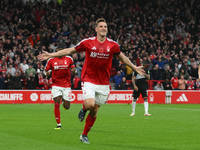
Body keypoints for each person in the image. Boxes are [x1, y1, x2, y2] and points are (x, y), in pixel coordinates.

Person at [38, 18, 144, 144]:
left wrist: (135, 67)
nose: (103, 28)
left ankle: (84, 135)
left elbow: (123, 58)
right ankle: (83, 108)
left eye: (105, 26)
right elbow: (70, 51)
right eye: (101, 26)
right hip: (89, 79)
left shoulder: (112, 45)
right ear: (96, 29)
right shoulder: (88, 42)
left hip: (104, 83)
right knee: (89, 104)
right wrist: (51, 55)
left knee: (94, 110)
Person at [45, 44, 76, 130]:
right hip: (56, 85)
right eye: (59, 50)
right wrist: (46, 74)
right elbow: (46, 71)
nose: (60, 52)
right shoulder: (51, 60)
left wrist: (74, 70)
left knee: (67, 106)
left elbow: (73, 68)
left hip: (66, 85)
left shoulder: (69, 59)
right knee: (56, 103)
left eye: (62, 50)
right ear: (56, 51)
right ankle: (59, 124)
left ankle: (64, 102)